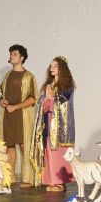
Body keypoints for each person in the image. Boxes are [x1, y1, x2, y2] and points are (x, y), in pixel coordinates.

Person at [29, 56, 75, 191]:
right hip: (47, 121)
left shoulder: (67, 86)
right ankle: (51, 181)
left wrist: (52, 96)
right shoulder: (48, 85)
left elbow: (64, 102)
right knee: (49, 150)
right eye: (51, 66)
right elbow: (42, 104)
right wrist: (46, 99)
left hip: (60, 126)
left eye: (55, 66)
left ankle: (60, 182)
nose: (52, 68)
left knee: (58, 151)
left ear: (62, 69)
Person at [0, 44, 37, 186]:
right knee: (9, 146)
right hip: (8, 115)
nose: (11, 56)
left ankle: (28, 178)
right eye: (11, 53)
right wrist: (2, 102)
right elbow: (2, 95)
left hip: (22, 116)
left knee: (24, 145)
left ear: (22, 58)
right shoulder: (7, 76)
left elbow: (32, 98)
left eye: (14, 54)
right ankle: (10, 176)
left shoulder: (29, 76)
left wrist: (15, 106)